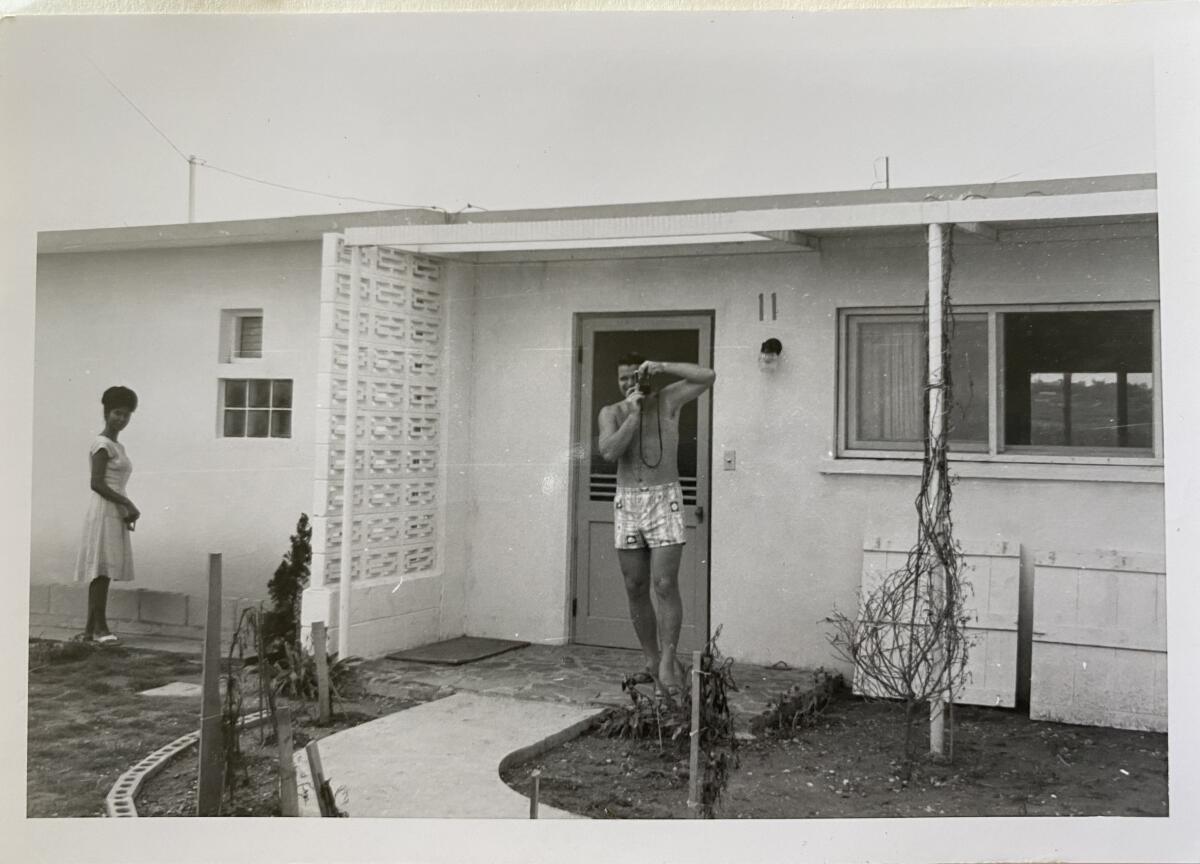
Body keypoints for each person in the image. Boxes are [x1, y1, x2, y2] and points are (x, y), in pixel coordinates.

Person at [597, 353, 715, 701]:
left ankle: (668, 658)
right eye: (623, 379)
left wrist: (663, 367)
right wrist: (633, 415)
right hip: (628, 500)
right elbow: (609, 451)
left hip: (664, 498)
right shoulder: (612, 412)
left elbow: (707, 376)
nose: (630, 383)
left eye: (635, 376)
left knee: (664, 583)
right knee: (635, 584)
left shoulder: (667, 401)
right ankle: (651, 660)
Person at [75, 386, 140, 644]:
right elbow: (97, 483)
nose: (121, 419)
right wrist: (128, 503)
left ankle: (91, 631)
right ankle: (100, 629)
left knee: (105, 569)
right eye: (117, 413)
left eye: (126, 415)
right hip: (103, 509)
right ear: (106, 412)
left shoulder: (118, 445)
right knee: (101, 569)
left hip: (114, 509)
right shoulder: (101, 444)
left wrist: (124, 509)